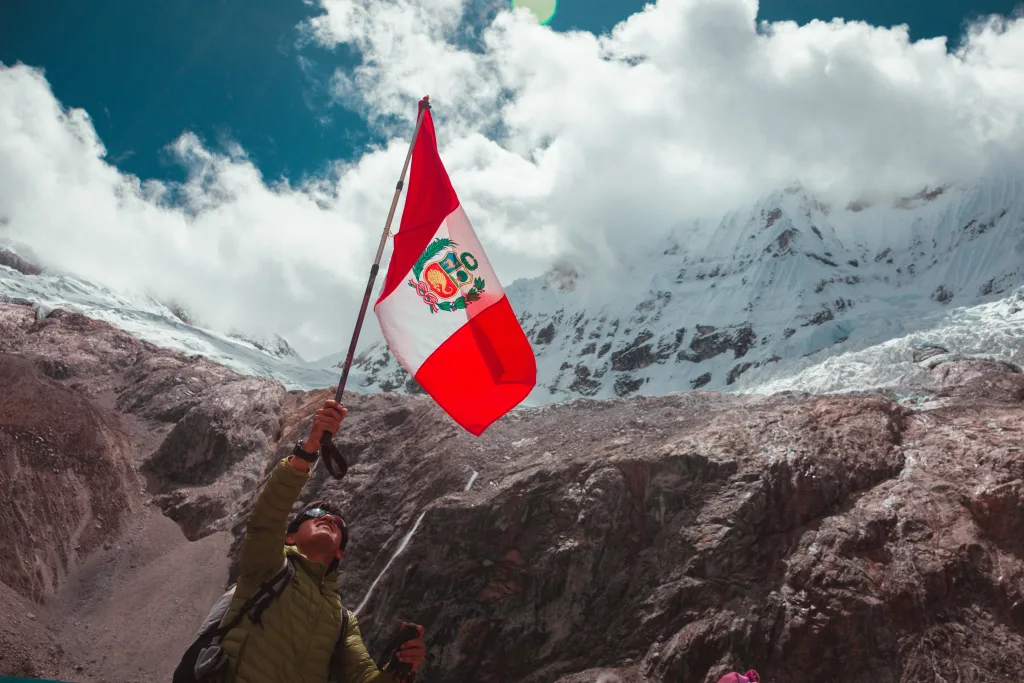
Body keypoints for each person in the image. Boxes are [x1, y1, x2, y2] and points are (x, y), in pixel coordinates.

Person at [217, 398, 426, 683]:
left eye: (338, 524)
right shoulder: (268, 566)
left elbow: (365, 678)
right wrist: (310, 448)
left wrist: (400, 670)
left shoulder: (342, 621)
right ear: (289, 536)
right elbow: (267, 518)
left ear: (339, 553)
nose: (328, 519)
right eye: (315, 514)